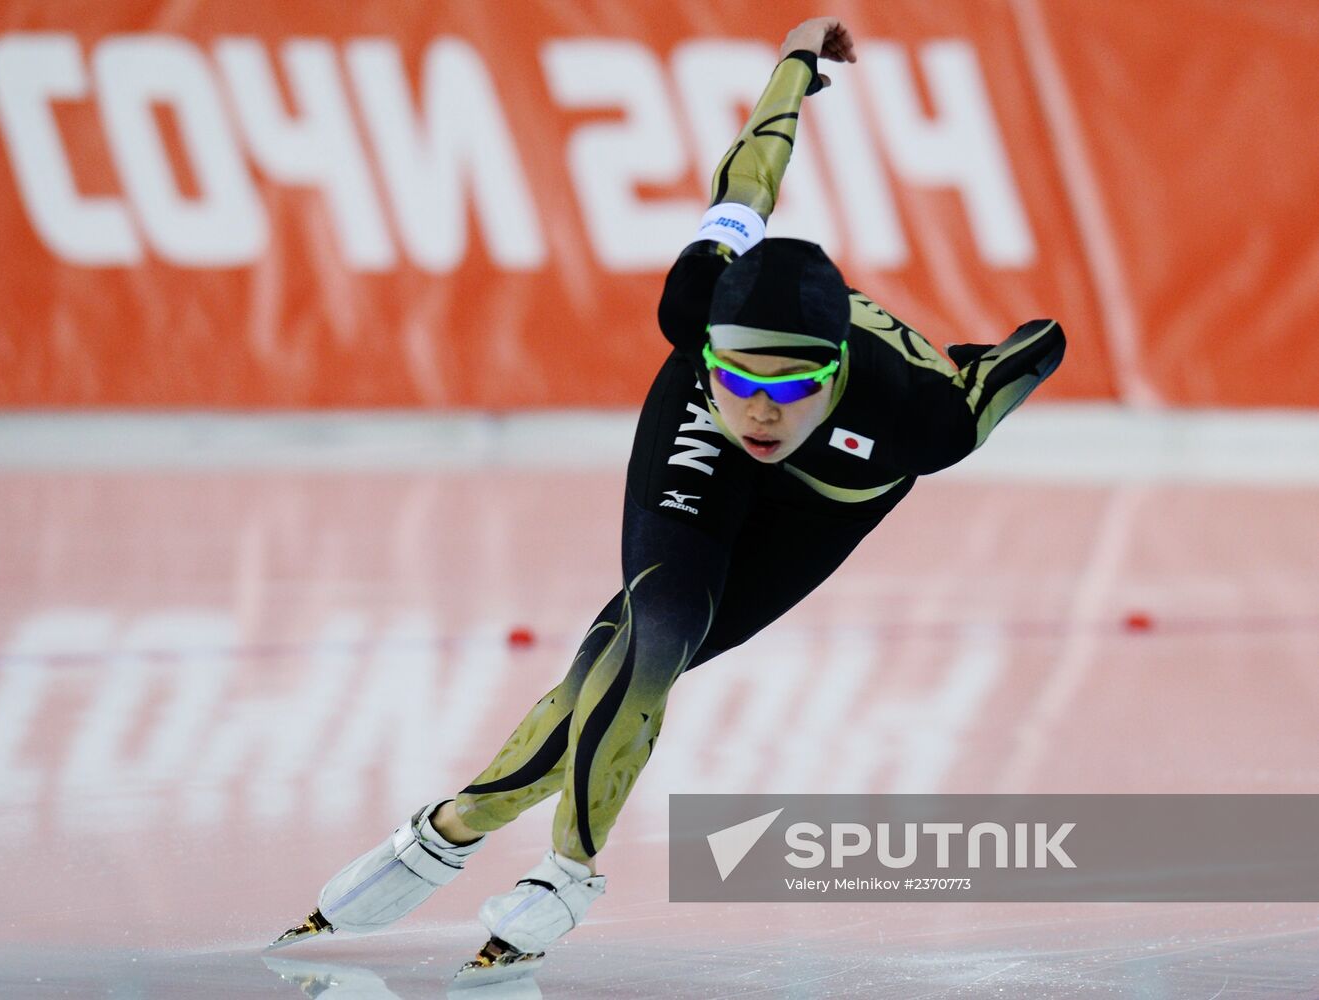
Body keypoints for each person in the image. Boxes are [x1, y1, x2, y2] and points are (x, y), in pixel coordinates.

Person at [272, 15, 1065, 977]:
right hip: (693, 446)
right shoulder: (696, 307)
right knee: (652, 636)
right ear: (711, 350)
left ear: (840, 372)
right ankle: (559, 870)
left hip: (832, 499)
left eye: (788, 385)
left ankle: (458, 829)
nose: (759, 411)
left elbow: (1030, 355)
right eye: (741, 376)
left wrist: (1009, 355)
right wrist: (797, 61)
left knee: (617, 673)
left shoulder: (923, 420)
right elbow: (750, 177)